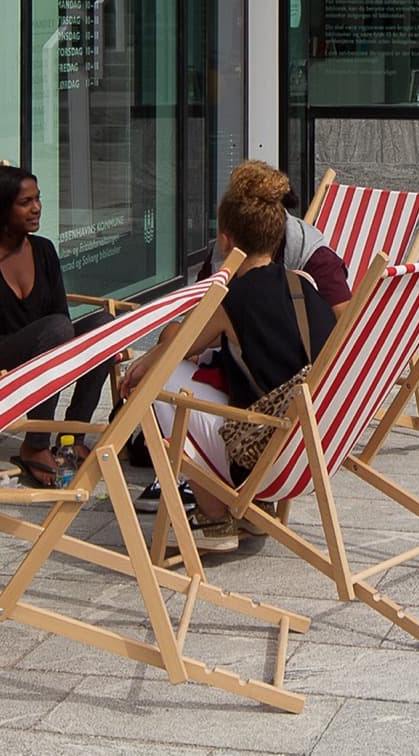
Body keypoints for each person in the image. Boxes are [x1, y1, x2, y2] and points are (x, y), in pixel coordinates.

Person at [170, 164, 344, 550]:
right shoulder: (306, 287)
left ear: (225, 240)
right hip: (310, 451)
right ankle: (256, 510)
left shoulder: (231, 301)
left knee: (162, 387)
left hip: (260, 458)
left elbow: (176, 346)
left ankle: (214, 520)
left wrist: (144, 366)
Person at [0, 167, 116, 488]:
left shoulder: (43, 250)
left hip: (45, 349)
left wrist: (43, 342)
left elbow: (59, 313)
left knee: (103, 323)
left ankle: (72, 435)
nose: (36, 208)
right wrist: (31, 342)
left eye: (37, 199)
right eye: (25, 202)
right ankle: (35, 442)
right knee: (57, 329)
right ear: (1, 208)